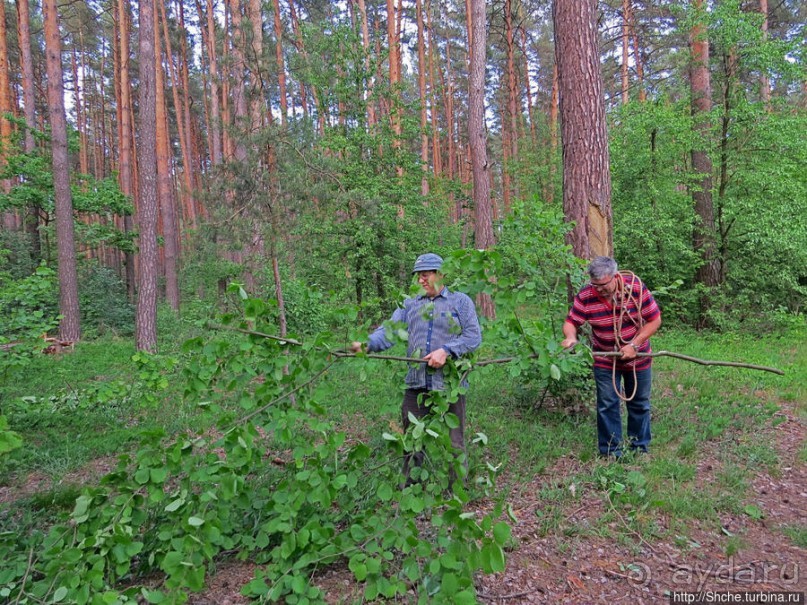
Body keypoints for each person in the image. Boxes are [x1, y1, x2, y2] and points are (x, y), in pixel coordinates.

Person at [352, 252, 482, 484]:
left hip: (450, 385)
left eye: (425, 275)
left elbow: (473, 337)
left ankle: (455, 494)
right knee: (412, 441)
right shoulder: (409, 304)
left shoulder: (461, 301)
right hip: (416, 383)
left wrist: (447, 350)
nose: (420, 281)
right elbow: (390, 331)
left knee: (454, 442)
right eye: (418, 277)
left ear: (440, 275)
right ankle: (411, 494)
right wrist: (368, 344)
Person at [560, 256, 662, 457]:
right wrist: (570, 337)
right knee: (607, 404)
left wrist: (634, 344)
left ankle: (639, 449)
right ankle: (610, 452)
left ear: (615, 277)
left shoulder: (635, 288)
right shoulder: (586, 295)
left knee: (640, 403)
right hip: (604, 358)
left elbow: (655, 320)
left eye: (603, 285)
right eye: (594, 285)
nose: (598, 289)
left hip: (638, 357)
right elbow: (571, 321)